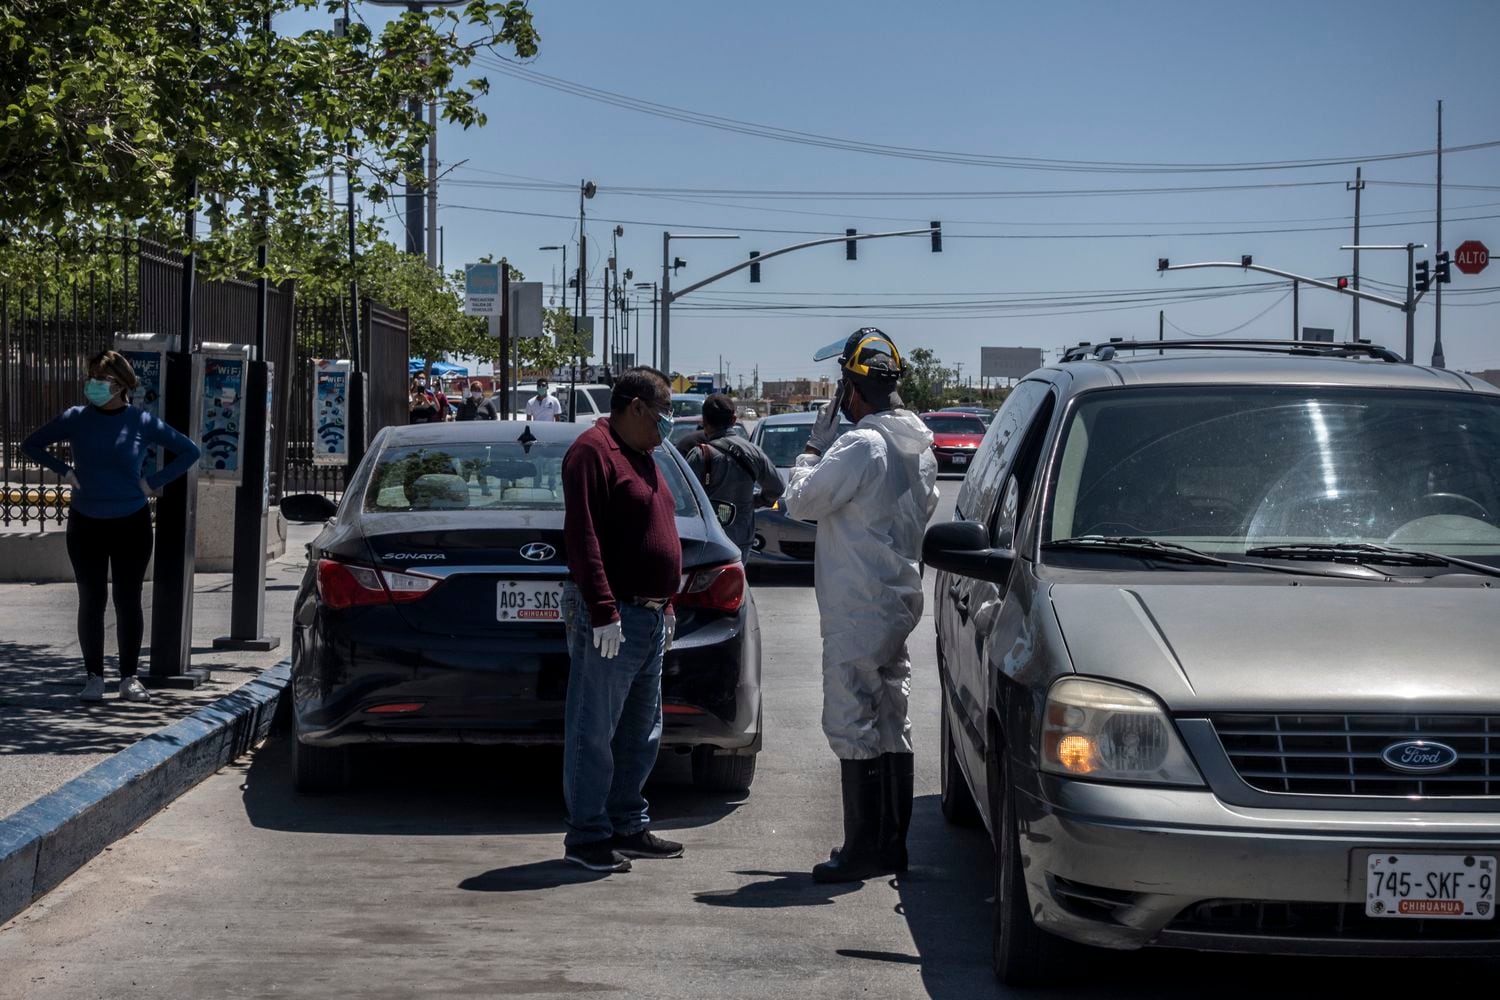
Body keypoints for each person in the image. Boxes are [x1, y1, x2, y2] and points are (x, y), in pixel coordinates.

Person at [782, 329, 938, 883]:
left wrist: (809, 449)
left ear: (852, 389)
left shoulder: (860, 445)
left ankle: (860, 849)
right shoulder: (918, 443)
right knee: (893, 717)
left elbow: (800, 501)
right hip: (897, 598)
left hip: (855, 603)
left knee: (852, 718)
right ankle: (891, 846)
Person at [21, 349, 202, 703]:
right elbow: (32, 445)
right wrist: (66, 472)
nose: (91, 385)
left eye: (99, 379)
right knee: (91, 598)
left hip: (131, 522)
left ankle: (129, 678)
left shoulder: (140, 421)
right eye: (89, 378)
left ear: (120, 384)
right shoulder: (75, 418)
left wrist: (154, 483)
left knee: (127, 599)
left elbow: (189, 451)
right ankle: (93, 677)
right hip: (86, 522)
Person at [558, 366, 683, 873]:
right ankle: (587, 837)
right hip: (614, 617)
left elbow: (659, 528)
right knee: (594, 730)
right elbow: (583, 538)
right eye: (662, 412)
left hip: (649, 617)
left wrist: (668, 604)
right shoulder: (592, 451)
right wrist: (604, 611)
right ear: (634, 407)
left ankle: (627, 824)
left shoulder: (645, 455)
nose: (667, 423)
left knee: (640, 730)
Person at [680, 394, 783, 564]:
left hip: (709, 537)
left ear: (704, 421)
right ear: (734, 419)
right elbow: (777, 487)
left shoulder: (699, 455)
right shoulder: (753, 452)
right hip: (742, 536)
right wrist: (755, 502)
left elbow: (683, 498)